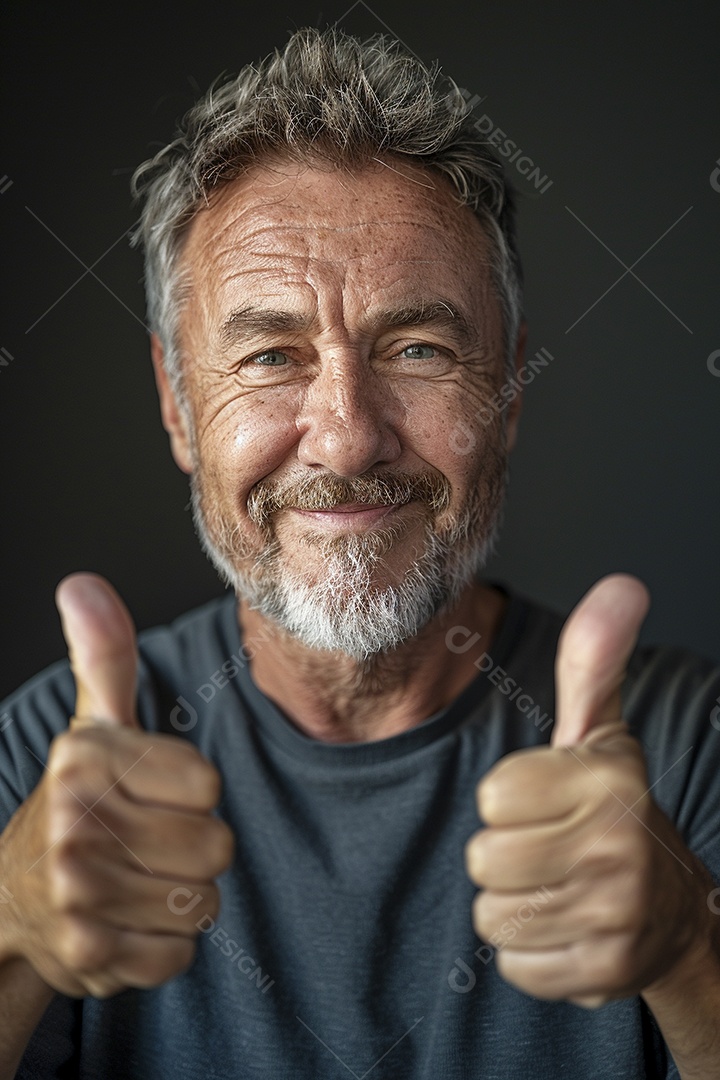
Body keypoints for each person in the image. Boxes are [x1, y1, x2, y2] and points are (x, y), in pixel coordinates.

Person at [0, 26, 718, 1080]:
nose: (345, 436)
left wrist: (691, 953)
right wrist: (13, 936)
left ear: (510, 386)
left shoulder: (692, 750)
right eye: (269, 355)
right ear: (177, 400)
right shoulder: (39, 770)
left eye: (417, 348)